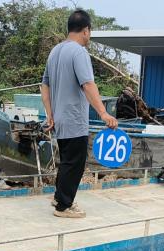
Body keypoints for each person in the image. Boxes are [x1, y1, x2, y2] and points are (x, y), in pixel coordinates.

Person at [41, 9, 118, 218]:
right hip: (74, 118)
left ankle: (59, 197)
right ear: (86, 30)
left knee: (66, 161)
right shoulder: (79, 52)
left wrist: (50, 114)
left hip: (59, 119)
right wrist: (103, 113)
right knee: (74, 163)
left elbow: (44, 85)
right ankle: (64, 206)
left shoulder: (55, 51)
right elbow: (88, 84)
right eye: (89, 32)